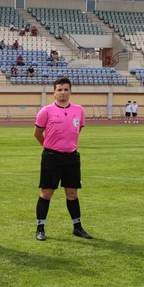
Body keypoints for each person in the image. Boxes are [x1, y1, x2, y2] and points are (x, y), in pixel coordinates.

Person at [34, 77, 94, 241]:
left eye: (66, 89)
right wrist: (49, 146)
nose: (63, 93)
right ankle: (40, 228)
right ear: (54, 92)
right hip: (51, 157)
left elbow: (77, 130)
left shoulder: (79, 110)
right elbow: (37, 133)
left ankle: (77, 227)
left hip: (71, 158)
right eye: (59, 90)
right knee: (46, 193)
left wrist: (68, 146)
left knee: (72, 193)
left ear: (70, 91)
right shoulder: (46, 111)